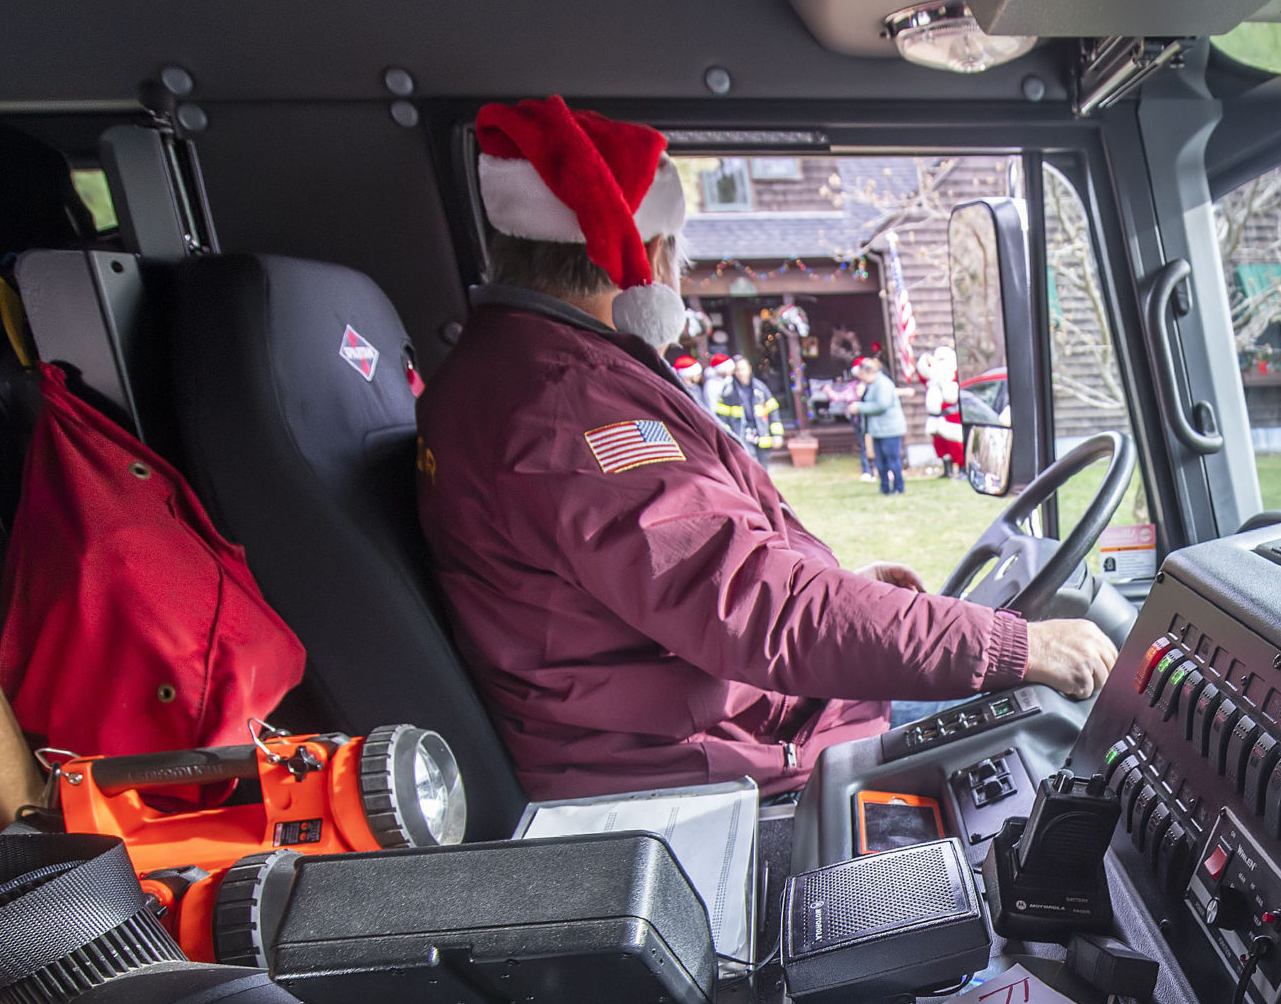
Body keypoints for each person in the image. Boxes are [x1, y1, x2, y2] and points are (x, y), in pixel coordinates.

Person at [415, 97, 1117, 798]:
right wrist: (1018, 644)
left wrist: (838, 587)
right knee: (1078, 724)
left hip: (718, 729)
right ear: (653, 254)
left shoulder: (519, 372)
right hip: (729, 764)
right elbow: (763, 609)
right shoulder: (569, 408)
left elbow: (698, 577)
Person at [852, 357, 906, 495]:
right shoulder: (871, 385)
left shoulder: (884, 384)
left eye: (862, 375)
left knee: (892, 460)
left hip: (890, 430)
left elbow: (882, 405)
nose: (861, 379)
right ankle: (884, 487)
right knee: (880, 462)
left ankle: (898, 487)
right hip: (878, 430)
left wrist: (859, 408)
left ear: (870, 372)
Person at [708, 356, 782, 455]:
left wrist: (777, 434)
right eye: (737, 370)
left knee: (762, 469)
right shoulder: (729, 392)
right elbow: (722, 418)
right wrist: (728, 439)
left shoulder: (760, 388)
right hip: (742, 439)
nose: (741, 373)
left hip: (763, 438)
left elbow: (773, 411)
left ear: (749, 368)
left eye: (743, 369)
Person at [923, 345, 964, 478]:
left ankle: (963, 469)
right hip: (936, 417)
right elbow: (923, 373)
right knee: (940, 444)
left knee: (955, 444)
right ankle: (947, 470)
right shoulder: (932, 378)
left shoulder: (954, 376)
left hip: (951, 417)